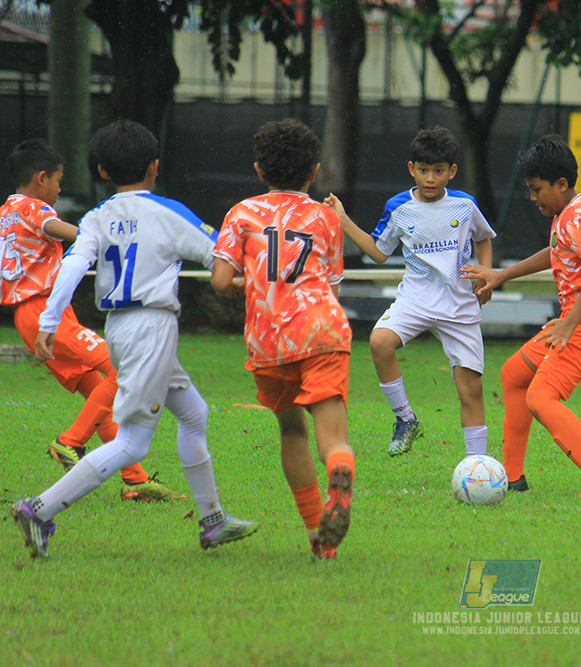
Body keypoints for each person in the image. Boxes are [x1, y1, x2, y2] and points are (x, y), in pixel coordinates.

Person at [10, 120, 257, 559]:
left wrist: (49, 320)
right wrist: (252, 278)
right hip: (152, 327)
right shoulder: (168, 212)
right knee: (132, 443)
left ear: (102, 171)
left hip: (120, 328)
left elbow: (71, 267)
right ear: (155, 166)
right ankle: (39, 509)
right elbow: (221, 252)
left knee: (194, 413)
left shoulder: (96, 217)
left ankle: (213, 521)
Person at [0, 138, 184, 502]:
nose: (60, 189)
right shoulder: (33, 209)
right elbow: (63, 231)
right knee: (125, 369)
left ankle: (135, 480)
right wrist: (104, 239)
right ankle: (69, 442)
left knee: (96, 389)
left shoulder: (6, 210)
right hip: (42, 311)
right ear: (41, 178)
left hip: (31, 314)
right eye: (58, 180)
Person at [211, 119, 355, 560]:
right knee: (331, 435)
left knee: (292, 430)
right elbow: (329, 281)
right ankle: (341, 471)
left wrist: (243, 283)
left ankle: (318, 535)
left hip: (269, 339)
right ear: (314, 172)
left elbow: (220, 280)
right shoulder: (326, 217)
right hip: (321, 329)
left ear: (259, 170)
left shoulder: (241, 213)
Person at [461, 135, 581, 499]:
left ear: (561, 184)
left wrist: (569, 323)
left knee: (541, 397)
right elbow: (554, 253)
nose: (532, 197)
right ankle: (513, 478)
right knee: (514, 375)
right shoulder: (567, 215)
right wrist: (500, 274)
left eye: (537, 190)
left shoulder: (578, 217)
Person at [324, 126, 496, 458]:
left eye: (439, 171)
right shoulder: (398, 207)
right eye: (423, 170)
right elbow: (378, 252)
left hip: (458, 305)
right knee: (379, 342)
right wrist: (343, 220)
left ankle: (477, 466)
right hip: (415, 300)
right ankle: (406, 419)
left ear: (452, 172)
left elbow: (483, 237)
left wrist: (486, 274)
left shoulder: (464, 205)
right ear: (411, 169)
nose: (430, 178)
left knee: (470, 389)